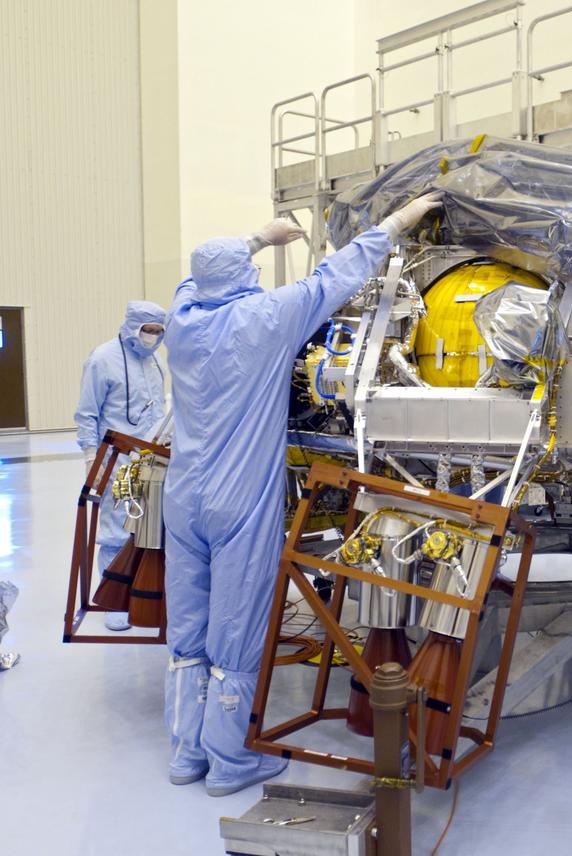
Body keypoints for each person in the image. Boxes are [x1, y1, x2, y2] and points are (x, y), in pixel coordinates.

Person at [162, 194, 442, 796]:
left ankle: (187, 753)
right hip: (239, 498)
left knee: (187, 626)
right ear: (245, 282)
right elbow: (337, 275)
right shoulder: (267, 318)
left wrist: (256, 239)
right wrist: (397, 222)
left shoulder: (181, 318)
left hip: (183, 497)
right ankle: (233, 762)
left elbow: (195, 277)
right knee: (235, 626)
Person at [74, 301, 168, 631]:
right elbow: (87, 413)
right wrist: (90, 457)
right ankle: (114, 601)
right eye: (148, 331)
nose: (153, 337)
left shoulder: (155, 360)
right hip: (119, 462)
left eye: (159, 332)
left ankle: (143, 594)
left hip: (153, 457)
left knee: (149, 528)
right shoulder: (102, 359)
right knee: (117, 530)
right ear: (132, 328)